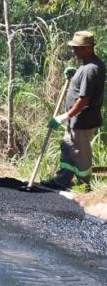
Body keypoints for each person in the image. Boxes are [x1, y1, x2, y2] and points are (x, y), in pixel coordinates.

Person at [42, 31, 104, 191]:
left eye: (77, 48)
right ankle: (62, 181)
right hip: (75, 120)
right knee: (68, 147)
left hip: (83, 120)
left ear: (87, 48)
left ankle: (84, 185)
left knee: (80, 153)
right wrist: (75, 74)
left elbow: (84, 99)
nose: (74, 51)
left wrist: (64, 116)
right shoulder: (86, 65)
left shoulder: (91, 69)